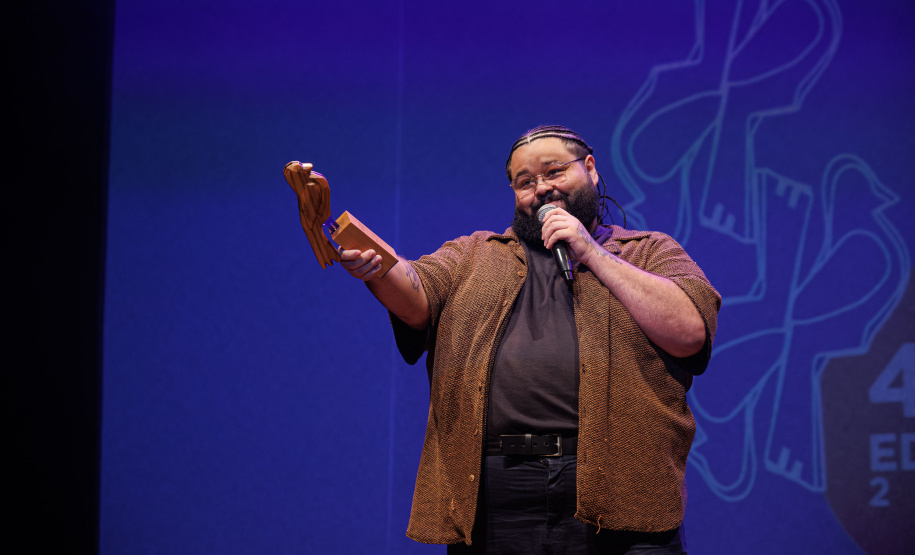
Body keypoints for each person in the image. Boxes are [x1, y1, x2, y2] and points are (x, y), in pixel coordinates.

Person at [335, 125, 720, 554]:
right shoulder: (473, 256)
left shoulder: (649, 251)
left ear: (590, 169)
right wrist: (377, 267)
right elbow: (417, 295)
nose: (541, 189)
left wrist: (591, 252)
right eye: (525, 182)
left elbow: (690, 333)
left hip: (619, 485)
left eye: (554, 172)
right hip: (498, 492)